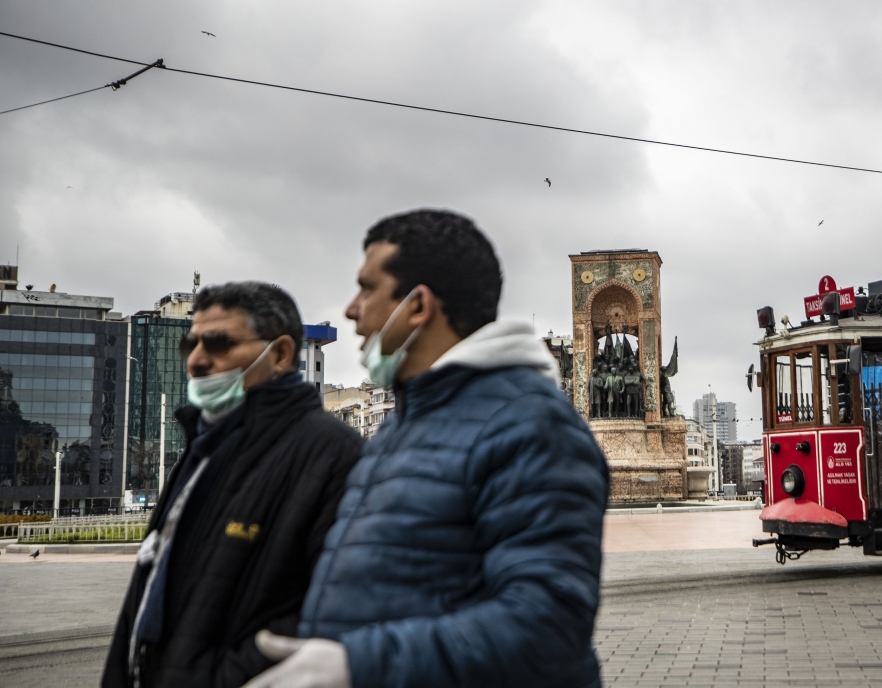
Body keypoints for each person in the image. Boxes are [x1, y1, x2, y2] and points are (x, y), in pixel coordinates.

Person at [245, 209, 609, 688]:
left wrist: (360, 665)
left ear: (418, 306)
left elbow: (549, 627)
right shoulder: (404, 422)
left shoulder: (529, 425)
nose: (352, 309)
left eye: (367, 288)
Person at [102, 283, 363, 688]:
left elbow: (332, 610)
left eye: (219, 344)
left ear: (279, 354)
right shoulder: (202, 446)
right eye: (191, 345)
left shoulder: (334, 455)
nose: (198, 361)